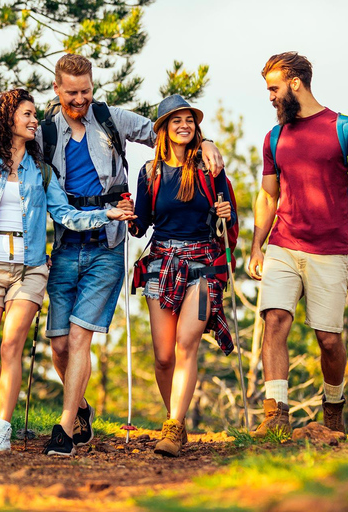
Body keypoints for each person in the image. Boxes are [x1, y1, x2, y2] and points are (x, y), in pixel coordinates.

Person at [37, 54, 225, 456]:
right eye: (72, 93)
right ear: (57, 89)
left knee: (81, 336)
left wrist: (205, 140)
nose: (80, 99)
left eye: (86, 91)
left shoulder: (110, 118)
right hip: (67, 239)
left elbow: (165, 131)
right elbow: (25, 174)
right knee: (60, 347)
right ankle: (83, 413)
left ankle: (66, 429)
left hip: (109, 240)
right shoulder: (45, 133)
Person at [0, 89, 135, 453]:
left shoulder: (42, 172)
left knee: (11, 344)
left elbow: (64, 214)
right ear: (7, 118)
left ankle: (2, 430)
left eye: (34, 115)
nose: (35, 121)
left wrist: (104, 215)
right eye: (28, 115)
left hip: (29, 269)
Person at [248, 52, 348, 437]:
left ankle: (333, 406)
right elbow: (267, 196)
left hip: (330, 249)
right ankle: (275, 413)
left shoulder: (344, 127)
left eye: (274, 88)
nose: (271, 97)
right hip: (284, 243)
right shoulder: (274, 138)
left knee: (328, 339)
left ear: (295, 83)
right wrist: (257, 245)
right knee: (275, 319)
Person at [129, 95, 236, 457]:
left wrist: (226, 212)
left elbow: (229, 219)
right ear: (162, 129)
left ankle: (173, 428)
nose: (184, 125)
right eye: (176, 121)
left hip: (203, 262)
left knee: (187, 342)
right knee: (163, 355)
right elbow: (141, 226)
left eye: (189, 120)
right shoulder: (149, 173)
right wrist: (130, 217)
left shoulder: (210, 167)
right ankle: (176, 417)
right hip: (161, 260)